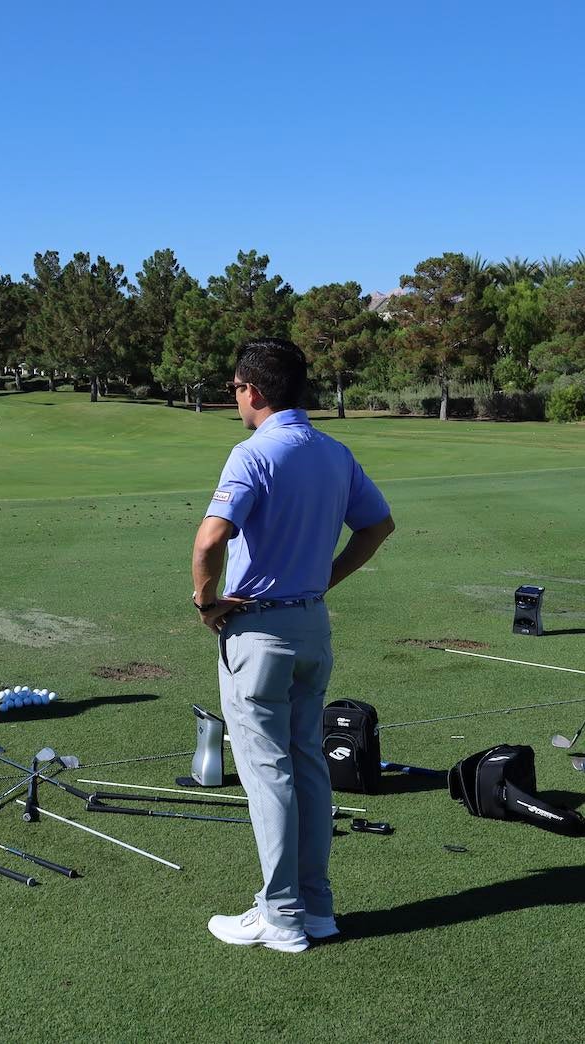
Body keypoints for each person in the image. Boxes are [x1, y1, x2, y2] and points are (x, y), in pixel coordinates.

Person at [190, 338, 395, 952]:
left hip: (258, 631)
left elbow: (209, 542)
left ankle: (279, 915)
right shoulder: (334, 451)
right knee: (306, 762)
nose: (235, 397)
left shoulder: (251, 453)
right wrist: (324, 579)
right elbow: (377, 526)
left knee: (268, 772)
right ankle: (317, 906)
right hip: (312, 625)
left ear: (252, 390)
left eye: (235, 388)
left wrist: (206, 603)